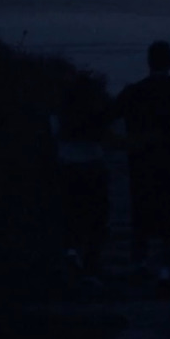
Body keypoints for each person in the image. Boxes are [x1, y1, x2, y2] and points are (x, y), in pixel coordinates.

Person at [112, 41, 170, 292]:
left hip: (141, 163)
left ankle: (140, 263)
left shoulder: (133, 92)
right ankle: (166, 270)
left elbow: (107, 115)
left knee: (142, 213)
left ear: (149, 62)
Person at [51, 73, 112, 288]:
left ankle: (71, 251)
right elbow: (106, 137)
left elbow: (54, 139)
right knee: (96, 219)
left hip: (67, 167)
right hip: (93, 166)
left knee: (70, 214)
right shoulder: (96, 113)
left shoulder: (60, 114)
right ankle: (91, 268)